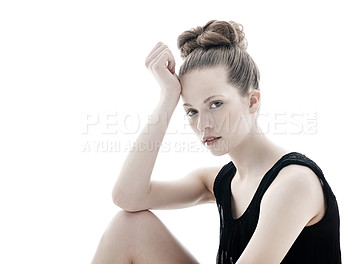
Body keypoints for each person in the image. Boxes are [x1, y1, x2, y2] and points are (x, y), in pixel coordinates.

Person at [90, 20, 341, 264]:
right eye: (192, 111)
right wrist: (168, 98)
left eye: (215, 104)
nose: (203, 125)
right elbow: (127, 197)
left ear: (252, 102)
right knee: (129, 227)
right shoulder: (218, 182)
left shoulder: (294, 183)